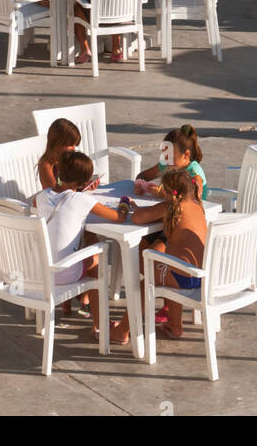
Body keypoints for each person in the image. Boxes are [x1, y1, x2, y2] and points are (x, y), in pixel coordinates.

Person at [34, 149, 135, 337]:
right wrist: (124, 203)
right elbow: (119, 218)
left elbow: (43, 203)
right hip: (60, 274)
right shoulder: (82, 199)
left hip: (36, 272)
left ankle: (81, 302)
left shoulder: (42, 196)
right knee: (94, 264)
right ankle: (100, 325)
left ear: (59, 172)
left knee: (88, 240)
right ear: (84, 182)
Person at [110, 167, 207, 344]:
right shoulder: (197, 205)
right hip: (199, 275)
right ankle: (175, 325)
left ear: (169, 193)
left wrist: (135, 208)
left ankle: (122, 331)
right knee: (169, 268)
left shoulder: (171, 206)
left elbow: (138, 219)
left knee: (145, 283)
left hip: (181, 277)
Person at [136, 124, 208, 199]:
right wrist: (140, 184)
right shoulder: (168, 163)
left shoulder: (193, 172)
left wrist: (162, 193)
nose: (167, 160)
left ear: (186, 154)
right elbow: (143, 176)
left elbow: (194, 197)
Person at [37, 117, 81, 190]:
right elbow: (55, 193)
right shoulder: (46, 164)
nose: (73, 149)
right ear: (57, 143)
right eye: (70, 144)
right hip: (55, 200)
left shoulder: (66, 160)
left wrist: (84, 185)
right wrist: (75, 186)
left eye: (74, 145)